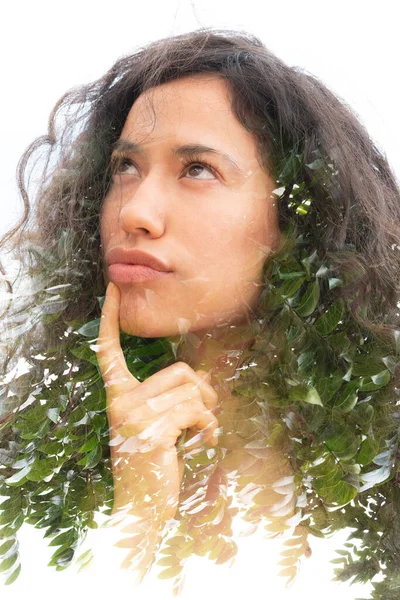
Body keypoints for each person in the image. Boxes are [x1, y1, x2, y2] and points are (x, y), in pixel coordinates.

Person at [1, 28, 399, 595]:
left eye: (197, 170)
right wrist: (137, 517)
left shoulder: (378, 488)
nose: (134, 212)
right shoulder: (31, 474)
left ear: (297, 221)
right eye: (124, 168)